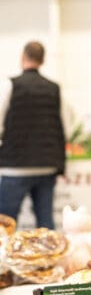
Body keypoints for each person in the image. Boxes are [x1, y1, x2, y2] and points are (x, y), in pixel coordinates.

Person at [0, 41, 67, 230]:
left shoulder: (10, 85)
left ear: (23, 57)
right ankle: (50, 251)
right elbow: (65, 125)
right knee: (45, 223)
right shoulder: (54, 88)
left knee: (5, 224)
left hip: (15, 166)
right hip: (47, 166)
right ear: (42, 60)